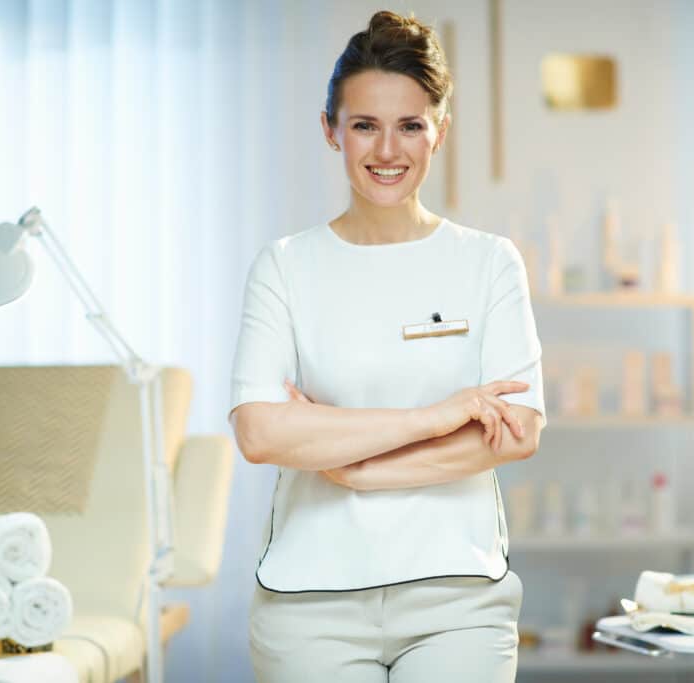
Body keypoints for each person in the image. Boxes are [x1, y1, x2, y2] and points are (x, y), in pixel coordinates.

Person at [228, 10, 545, 682]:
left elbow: (517, 432)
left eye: (410, 125)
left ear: (441, 131)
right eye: (365, 125)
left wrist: (354, 463)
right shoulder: (285, 266)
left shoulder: (488, 262)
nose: (387, 150)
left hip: (458, 598)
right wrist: (439, 416)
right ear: (330, 130)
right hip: (308, 603)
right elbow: (260, 432)